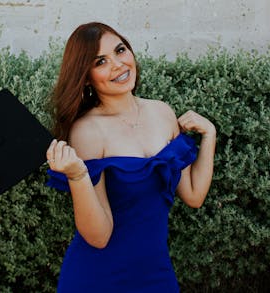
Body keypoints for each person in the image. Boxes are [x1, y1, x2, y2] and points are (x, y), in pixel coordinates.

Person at [46, 22, 216, 293]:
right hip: (99, 278)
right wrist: (78, 176)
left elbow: (194, 195)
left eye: (120, 50)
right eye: (101, 61)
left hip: (156, 273)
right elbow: (99, 237)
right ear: (87, 76)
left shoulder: (162, 112)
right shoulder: (88, 131)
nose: (118, 64)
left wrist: (210, 135)